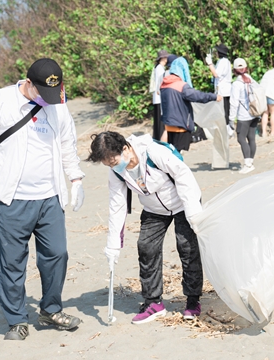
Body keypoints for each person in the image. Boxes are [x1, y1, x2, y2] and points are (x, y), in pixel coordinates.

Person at [0, 58, 86, 341]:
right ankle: (16, 320)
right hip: (13, 198)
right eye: (43, 93)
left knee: (57, 255)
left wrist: (75, 179)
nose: (50, 100)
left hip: (50, 197)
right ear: (28, 82)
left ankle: (50, 309)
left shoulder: (58, 102)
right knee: (11, 261)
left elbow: (67, 144)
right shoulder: (0, 101)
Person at [87, 131, 204, 324]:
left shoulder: (153, 152)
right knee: (146, 248)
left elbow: (183, 176)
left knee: (187, 247)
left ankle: (193, 300)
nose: (113, 167)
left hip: (182, 203)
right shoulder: (117, 171)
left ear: (125, 148)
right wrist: (113, 244)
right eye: (108, 165)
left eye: (113, 162)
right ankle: (153, 302)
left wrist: (193, 213)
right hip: (154, 208)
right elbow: (117, 205)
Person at [161, 56, 222, 152]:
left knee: (172, 151)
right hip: (181, 124)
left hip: (169, 124)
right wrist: (214, 97)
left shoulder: (164, 84)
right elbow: (198, 96)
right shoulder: (181, 86)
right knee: (179, 153)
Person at [228, 58, 260, 174]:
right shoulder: (251, 80)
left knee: (241, 139)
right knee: (251, 138)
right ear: (246, 68)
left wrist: (231, 119)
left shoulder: (236, 84)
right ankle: (250, 162)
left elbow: (234, 103)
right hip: (255, 113)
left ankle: (247, 164)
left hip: (243, 115)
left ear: (235, 70)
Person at [205, 43, 233, 126]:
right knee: (222, 110)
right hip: (222, 90)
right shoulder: (222, 61)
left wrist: (210, 63)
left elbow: (216, 74)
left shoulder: (224, 62)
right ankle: (224, 127)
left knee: (224, 111)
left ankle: (226, 128)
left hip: (223, 91)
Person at [150, 49, 170, 142]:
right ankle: (160, 138)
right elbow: (160, 82)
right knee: (160, 120)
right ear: (163, 58)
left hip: (157, 97)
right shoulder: (160, 68)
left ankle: (158, 138)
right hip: (159, 97)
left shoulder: (158, 67)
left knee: (158, 120)